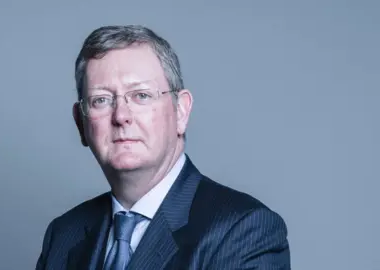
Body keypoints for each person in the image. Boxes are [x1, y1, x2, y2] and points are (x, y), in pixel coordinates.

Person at [35, 24, 290, 270]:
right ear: (81, 122)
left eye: (141, 95)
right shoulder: (63, 235)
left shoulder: (244, 230)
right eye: (101, 100)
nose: (121, 115)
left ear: (181, 111)